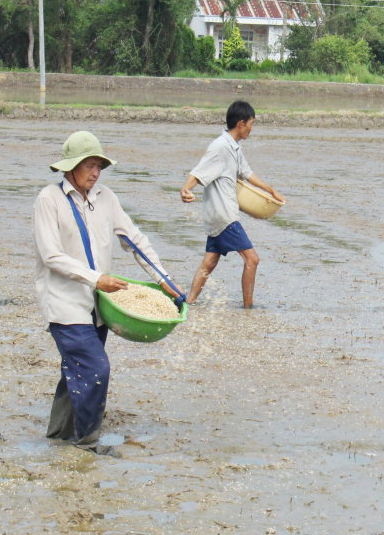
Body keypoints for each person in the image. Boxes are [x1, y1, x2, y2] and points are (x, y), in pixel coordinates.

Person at [33, 131, 176, 454]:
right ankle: (86, 441)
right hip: (64, 303)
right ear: (70, 167)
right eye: (89, 165)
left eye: (99, 166)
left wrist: (165, 280)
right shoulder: (48, 200)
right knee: (96, 370)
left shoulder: (106, 198)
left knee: (77, 369)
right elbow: (51, 256)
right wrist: (97, 279)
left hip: (98, 305)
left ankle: (58, 435)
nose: (95, 173)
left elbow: (134, 240)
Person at [180, 101, 284, 309]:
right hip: (225, 215)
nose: (251, 129)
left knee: (210, 261)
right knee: (252, 259)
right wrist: (186, 188)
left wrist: (270, 190)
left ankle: (188, 303)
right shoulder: (220, 147)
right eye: (251, 124)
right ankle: (248, 308)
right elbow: (199, 171)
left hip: (218, 215)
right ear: (241, 123)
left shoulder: (234, 148)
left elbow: (246, 173)